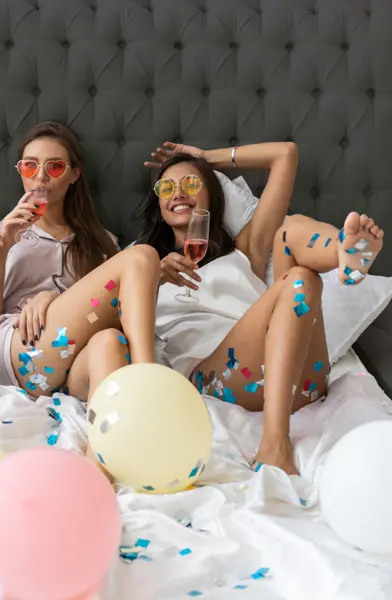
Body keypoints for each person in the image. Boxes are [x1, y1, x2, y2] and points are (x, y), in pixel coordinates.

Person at [138, 141, 384, 474]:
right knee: (300, 279)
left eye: (192, 184)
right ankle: (275, 442)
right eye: (167, 187)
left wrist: (206, 159)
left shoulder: (244, 251)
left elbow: (286, 154)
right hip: (219, 379)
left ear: (211, 196)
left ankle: (345, 252)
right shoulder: (143, 266)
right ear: (159, 204)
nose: (178, 193)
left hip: (301, 377)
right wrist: (152, 276)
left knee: (290, 233)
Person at [0, 122, 161, 401]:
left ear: (73, 175)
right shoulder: (1, 235)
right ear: (20, 172)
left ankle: (103, 440)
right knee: (143, 255)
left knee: (109, 341)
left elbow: (117, 319)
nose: (40, 177)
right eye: (30, 166)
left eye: (55, 167)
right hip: (25, 352)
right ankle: (151, 386)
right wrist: (0, 258)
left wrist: (52, 298)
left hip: (75, 370)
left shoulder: (102, 243)